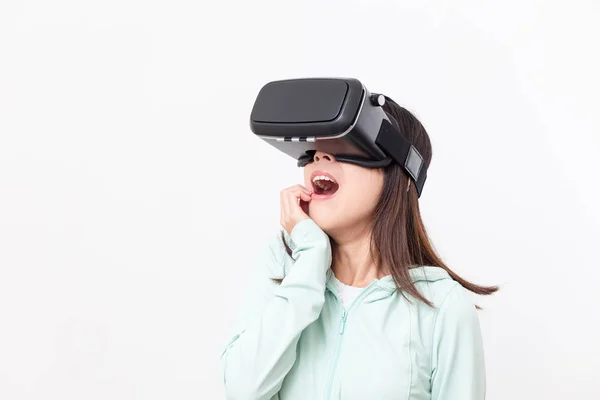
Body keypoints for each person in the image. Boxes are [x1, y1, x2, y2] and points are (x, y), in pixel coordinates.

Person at [219, 97, 498, 400]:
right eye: (313, 151)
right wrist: (309, 260)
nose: (320, 156)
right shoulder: (282, 264)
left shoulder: (440, 304)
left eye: (347, 145)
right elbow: (241, 390)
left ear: (402, 176)